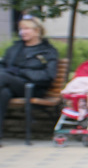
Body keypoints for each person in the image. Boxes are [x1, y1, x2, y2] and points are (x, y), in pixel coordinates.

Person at [0, 14, 60, 143]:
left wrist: (21, 72)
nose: (22, 32)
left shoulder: (48, 51)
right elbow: (3, 65)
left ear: (37, 31)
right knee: (3, 93)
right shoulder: (15, 48)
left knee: (2, 76)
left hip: (32, 88)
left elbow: (48, 76)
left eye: (26, 29)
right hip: (9, 84)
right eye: (21, 29)